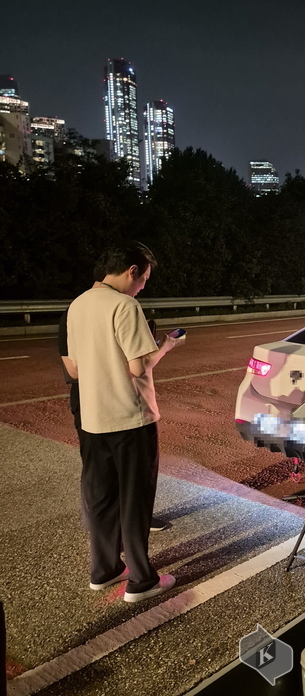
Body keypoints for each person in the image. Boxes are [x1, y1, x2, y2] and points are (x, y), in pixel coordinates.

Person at [64, 242, 178, 603]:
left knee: (101, 498)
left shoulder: (78, 304)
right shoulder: (125, 306)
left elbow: (78, 368)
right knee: (135, 500)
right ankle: (142, 580)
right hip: (131, 419)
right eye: (143, 278)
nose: (143, 286)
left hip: (93, 419)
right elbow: (137, 366)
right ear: (131, 271)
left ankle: (105, 569)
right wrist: (166, 348)